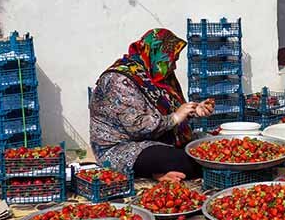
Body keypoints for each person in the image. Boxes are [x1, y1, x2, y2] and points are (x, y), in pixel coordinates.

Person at [89, 28, 214, 181]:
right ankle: (156, 172)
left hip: (157, 139)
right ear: (156, 54)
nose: (174, 66)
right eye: (172, 60)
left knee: (206, 147)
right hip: (122, 147)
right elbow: (137, 126)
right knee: (188, 161)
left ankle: (158, 171)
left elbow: (174, 107)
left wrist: (194, 110)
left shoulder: (157, 73)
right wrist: (174, 118)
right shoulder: (119, 79)